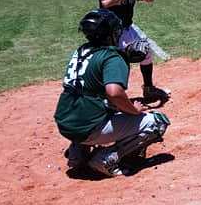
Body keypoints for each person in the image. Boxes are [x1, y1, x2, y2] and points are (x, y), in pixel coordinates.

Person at [54, 9, 170, 177]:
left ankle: (77, 154)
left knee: (94, 103)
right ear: (112, 32)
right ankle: (104, 160)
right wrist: (133, 109)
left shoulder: (81, 51)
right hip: (88, 127)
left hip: (66, 122)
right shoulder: (112, 56)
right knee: (157, 122)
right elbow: (114, 93)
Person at [97, 0, 169, 104]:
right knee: (117, 63)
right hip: (110, 33)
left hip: (126, 29)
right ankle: (111, 98)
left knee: (146, 51)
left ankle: (148, 89)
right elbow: (105, 2)